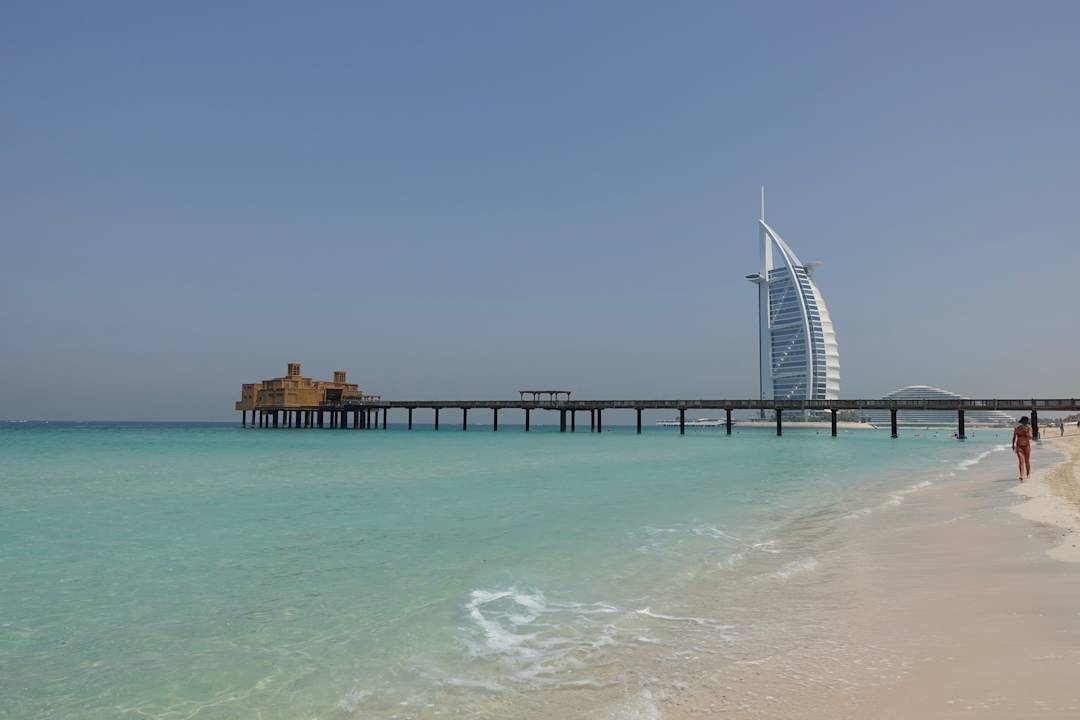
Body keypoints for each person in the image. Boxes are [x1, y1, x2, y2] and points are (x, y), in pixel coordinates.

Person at [1012, 416, 1033, 482]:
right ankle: (1021, 475)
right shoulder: (1017, 428)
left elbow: (1030, 437)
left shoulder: (1029, 428)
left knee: (1027, 461)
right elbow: (1014, 437)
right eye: (1023, 422)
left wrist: (1026, 432)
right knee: (1021, 461)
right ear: (1021, 422)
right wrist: (1013, 445)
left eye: (1026, 422)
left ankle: (1028, 474)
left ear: (1027, 422)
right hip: (1019, 446)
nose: (1025, 423)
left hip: (1027, 446)